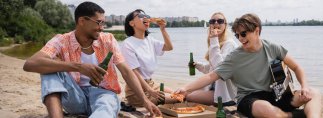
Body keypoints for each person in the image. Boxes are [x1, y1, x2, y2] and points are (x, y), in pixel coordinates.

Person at [23, 2, 161, 118]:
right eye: (99, 22)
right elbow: (30, 64)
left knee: (107, 105)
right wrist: (78, 67)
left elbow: (126, 71)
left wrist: (144, 100)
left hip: (104, 94)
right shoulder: (61, 40)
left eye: (103, 23)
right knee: (49, 69)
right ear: (82, 21)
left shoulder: (108, 40)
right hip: (75, 97)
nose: (102, 27)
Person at [175, 13, 322, 118]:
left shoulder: (272, 47)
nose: (240, 39)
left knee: (314, 93)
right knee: (267, 110)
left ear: (257, 30)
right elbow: (211, 76)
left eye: (244, 34)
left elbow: (297, 67)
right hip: (249, 98)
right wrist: (186, 88)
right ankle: (295, 115)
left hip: (277, 95)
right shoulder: (235, 57)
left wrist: (304, 86)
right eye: (238, 35)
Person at [120, 9, 177, 107]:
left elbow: (169, 47)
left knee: (178, 94)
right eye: (141, 16)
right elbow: (134, 72)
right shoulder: (128, 44)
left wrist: (162, 29)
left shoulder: (149, 40)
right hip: (137, 92)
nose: (145, 17)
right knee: (177, 99)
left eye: (146, 15)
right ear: (132, 23)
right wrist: (149, 90)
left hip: (152, 84)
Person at [186, 12, 237, 106]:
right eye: (212, 21)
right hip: (214, 89)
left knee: (188, 96)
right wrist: (197, 65)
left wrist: (214, 39)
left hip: (226, 95)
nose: (216, 23)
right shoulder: (217, 42)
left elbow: (220, 69)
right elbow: (212, 69)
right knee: (187, 92)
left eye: (220, 21)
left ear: (225, 25)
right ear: (210, 25)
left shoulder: (230, 44)